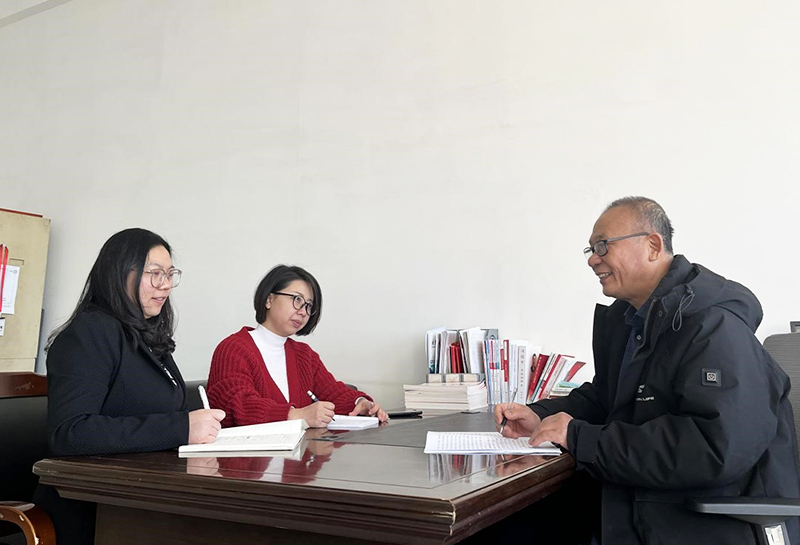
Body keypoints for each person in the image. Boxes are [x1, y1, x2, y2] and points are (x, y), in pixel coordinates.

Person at [495, 197, 800, 544]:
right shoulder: (630, 320)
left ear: (653, 245)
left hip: (703, 521)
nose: (593, 259)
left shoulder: (714, 327)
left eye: (603, 246)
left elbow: (713, 447)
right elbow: (608, 398)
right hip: (640, 499)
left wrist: (580, 437)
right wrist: (541, 415)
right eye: (590, 249)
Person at [34, 228, 226, 545]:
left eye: (170, 274)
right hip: (95, 506)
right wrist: (181, 427)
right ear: (119, 273)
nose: (165, 284)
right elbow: (70, 432)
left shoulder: (144, 335)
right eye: (154, 273)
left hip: (149, 495)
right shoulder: (89, 333)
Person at [207, 264, 388, 428]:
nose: (303, 312)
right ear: (269, 299)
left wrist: (360, 403)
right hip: (247, 454)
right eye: (296, 299)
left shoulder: (304, 355)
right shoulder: (232, 349)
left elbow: (333, 393)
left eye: (309, 306)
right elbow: (235, 406)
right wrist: (297, 415)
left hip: (300, 453)